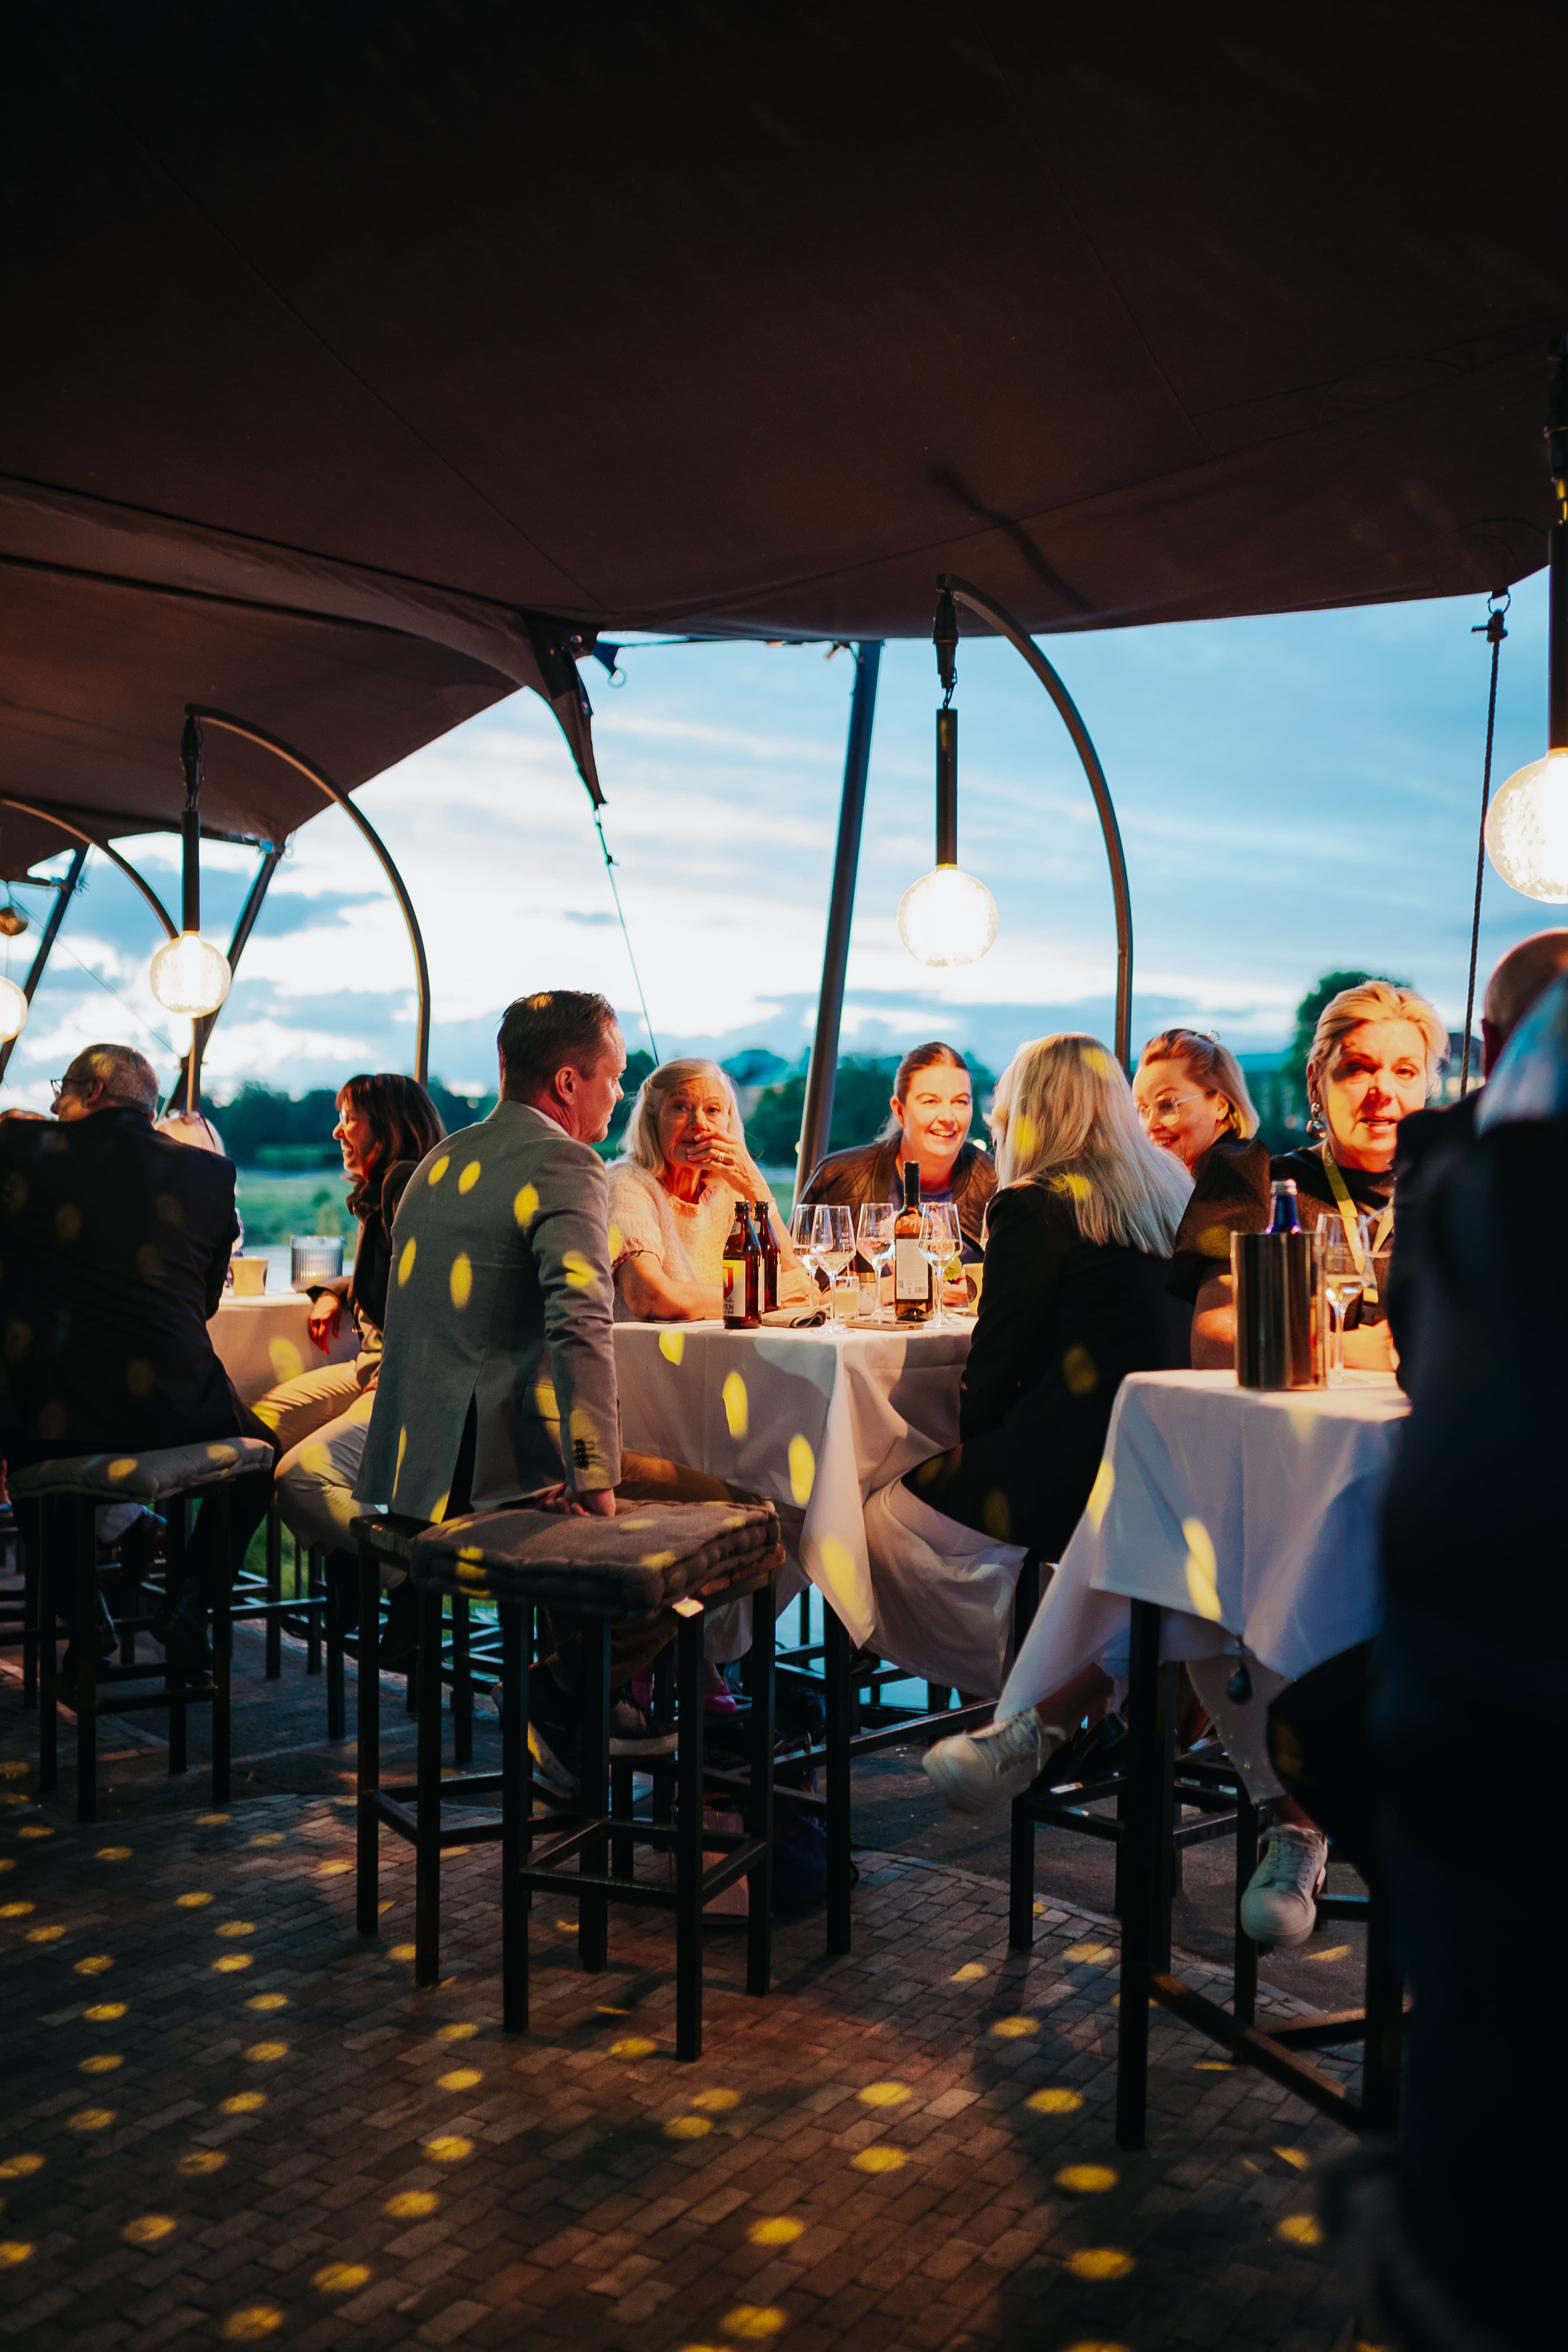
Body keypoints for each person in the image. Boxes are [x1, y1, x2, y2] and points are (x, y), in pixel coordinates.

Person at [353, 990, 759, 1791]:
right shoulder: (564, 1163)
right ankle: (564, 1689)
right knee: (745, 1519)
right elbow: (581, 1323)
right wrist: (592, 1474)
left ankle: (594, 1715)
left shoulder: (439, 1160)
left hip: (411, 1472)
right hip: (497, 1475)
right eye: (614, 1076)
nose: (620, 1092)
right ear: (569, 1082)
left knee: (675, 1506)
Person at [869, 1034, 1188, 1741]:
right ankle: (1068, 1685)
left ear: (1029, 1113)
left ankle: (1025, 1695)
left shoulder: (1034, 1203)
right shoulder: (1169, 1187)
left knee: (879, 1518)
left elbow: (995, 1363)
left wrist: (977, 1450)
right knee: (975, 1535)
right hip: (1159, 1462)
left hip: (1067, 1469)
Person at [0, 1043, 276, 1672]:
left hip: (61, 1420)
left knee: (27, 1453)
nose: (53, 1106)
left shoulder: (19, 1150)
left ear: (93, 1091)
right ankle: (191, 1604)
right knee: (263, 1457)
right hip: (179, 1410)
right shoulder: (211, 1174)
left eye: (61, 1091)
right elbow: (205, 1303)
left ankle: (84, 1612)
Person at [251, 1074, 445, 1655]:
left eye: (349, 1119)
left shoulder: (406, 1182)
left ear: (387, 1128)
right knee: (256, 1434)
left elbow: (429, 1288)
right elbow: (382, 1276)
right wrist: (332, 1291)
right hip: (371, 1364)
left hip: (404, 1374)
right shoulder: (381, 1190)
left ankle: (404, 1576)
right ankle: (354, 1579)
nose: (337, 1132)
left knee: (298, 1477)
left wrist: (403, 1367)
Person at [1191, 979, 1447, 1373]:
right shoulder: (1259, 1185)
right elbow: (1212, 1343)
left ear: (1424, 1089)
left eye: (1405, 1071)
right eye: (1358, 1069)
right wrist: (1338, 1351)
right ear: (1315, 1083)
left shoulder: (1453, 1197)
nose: (1383, 1089)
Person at [608, 1058, 808, 1321]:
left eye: (713, 1110)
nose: (699, 1124)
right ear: (653, 1118)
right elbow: (650, 1297)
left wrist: (756, 1187)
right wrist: (766, 1298)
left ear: (728, 1122)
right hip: (648, 1348)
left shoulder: (731, 1191)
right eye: (680, 1107)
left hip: (725, 1346)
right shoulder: (627, 1182)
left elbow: (801, 1286)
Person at [1132, 1027, 1270, 1346]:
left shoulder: (1232, 1167)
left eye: (1167, 1105)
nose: (1151, 1124)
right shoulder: (1195, 1176)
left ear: (1220, 1105)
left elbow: (1221, 1322)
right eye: (1142, 1109)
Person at [799, 1041, 995, 1260]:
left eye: (960, 1102)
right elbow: (796, 1273)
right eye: (931, 1102)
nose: (948, 1118)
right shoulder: (841, 1179)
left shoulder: (996, 1183)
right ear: (900, 1111)